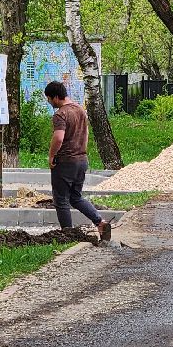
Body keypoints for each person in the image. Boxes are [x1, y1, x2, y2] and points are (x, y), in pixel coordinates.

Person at [45, 80, 110, 240]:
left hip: (65, 162)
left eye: (48, 98)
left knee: (61, 200)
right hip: (82, 160)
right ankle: (100, 222)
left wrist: (52, 155)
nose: (48, 102)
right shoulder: (80, 110)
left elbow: (59, 138)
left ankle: (67, 234)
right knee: (75, 197)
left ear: (55, 97)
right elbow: (86, 135)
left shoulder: (61, 114)